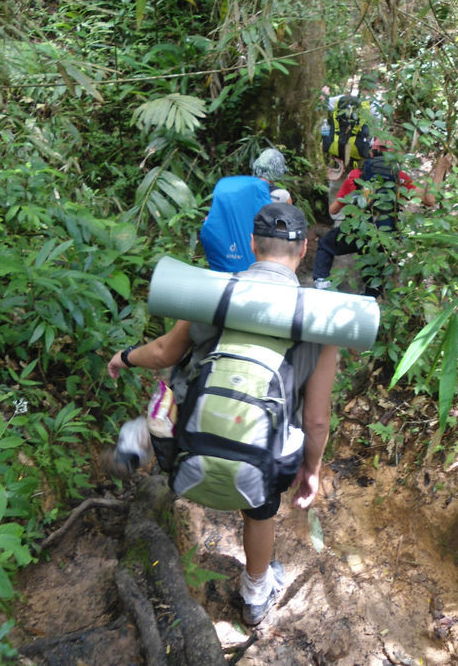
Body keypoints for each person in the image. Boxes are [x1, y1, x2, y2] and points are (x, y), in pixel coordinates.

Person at [107, 203, 338, 627]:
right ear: (304, 248)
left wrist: (125, 357)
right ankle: (254, 596)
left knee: (175, 389)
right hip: (259, 460)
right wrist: (312, 467)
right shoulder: (321, 319)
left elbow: (163, 353)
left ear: (252, 244)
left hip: (187, 445)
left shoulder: (216, 293)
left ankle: (140, 436)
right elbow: (317, 418)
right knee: (260, 511)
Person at [313, 141, 453, 293]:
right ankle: (370, 302)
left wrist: (354, 197)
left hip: (356, 231)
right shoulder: (400, 178)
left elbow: (333, 210)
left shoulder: (357, 175)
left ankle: (321, 284)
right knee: (374, 277)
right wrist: (441, 168)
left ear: (371, 153)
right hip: (384, 235)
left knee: (326, 245)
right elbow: (429, 200)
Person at [199, 147, 292, 272]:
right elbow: (289, 228)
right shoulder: (282, 196)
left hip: (226, 259)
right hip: (260, 262)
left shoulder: (235, 190)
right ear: (278, 172)